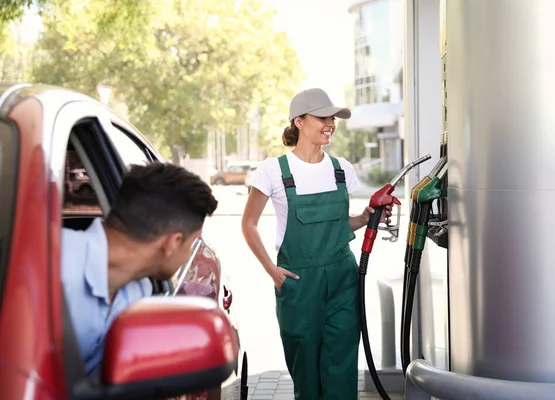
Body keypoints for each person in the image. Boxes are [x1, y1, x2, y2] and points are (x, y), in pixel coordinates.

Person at [241, 88, 391, 399]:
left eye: (333, 118)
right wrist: (271, 270)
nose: (331, 123)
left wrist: (365, 217)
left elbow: (340, 222)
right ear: (299, 121)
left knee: (341, 364)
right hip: (298, 282)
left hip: (342, 279)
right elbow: (248, 224)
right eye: (322, 117)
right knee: (305, 368)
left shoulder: (341, 169)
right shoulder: (274, 170)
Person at [61, 162, 218, 376]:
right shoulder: (48, 266)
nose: (191, 253)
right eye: (192, 243)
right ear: (172, 243)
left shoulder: (141, 291)